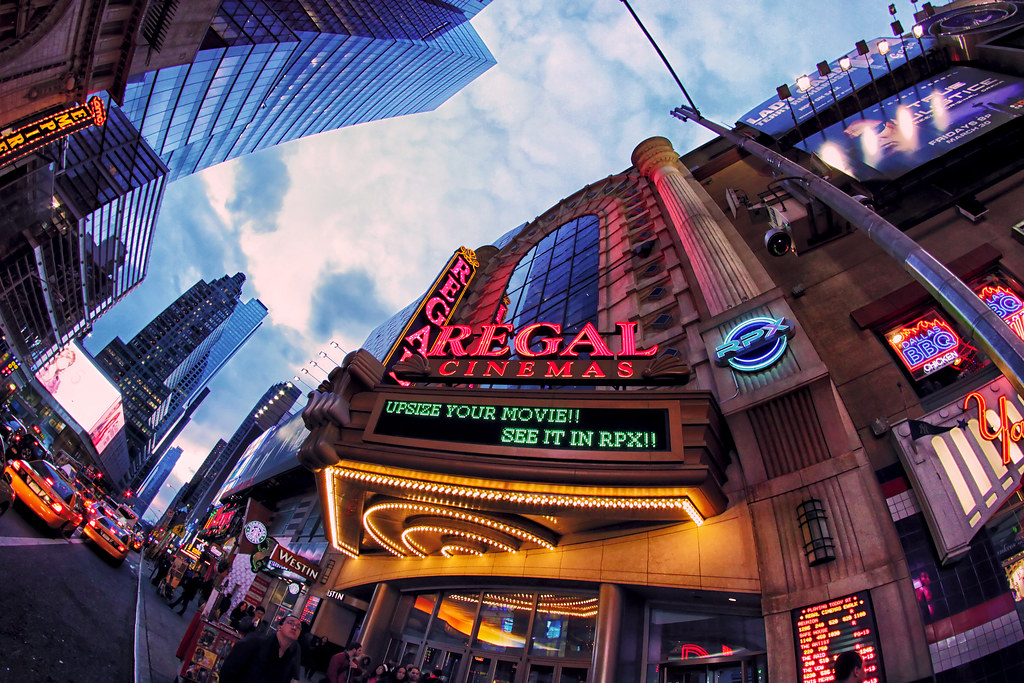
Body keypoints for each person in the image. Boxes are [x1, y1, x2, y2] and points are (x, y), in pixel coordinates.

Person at [219, 614, 303, 683]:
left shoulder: (290, 658)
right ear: (279, 627)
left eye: (298, 627)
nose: (294, 628)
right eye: (290, 623)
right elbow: (228, 671)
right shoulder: (255, 642)